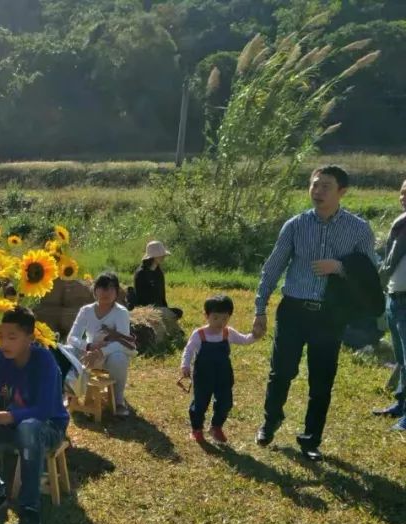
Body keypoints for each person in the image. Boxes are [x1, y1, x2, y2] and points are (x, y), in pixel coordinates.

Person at [252, 166, 377, 460]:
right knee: (281, 371)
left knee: (322, 379)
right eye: (315, 185)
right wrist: (260, 309)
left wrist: (340, 267)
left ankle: (310, 439)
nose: (318, 192)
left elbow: (371, 274)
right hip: (293, 309)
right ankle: (270, 422)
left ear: (341, 192)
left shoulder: (359, 229)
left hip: (330, 314)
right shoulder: (295, 225)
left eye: (326, 187)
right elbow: (273, 267)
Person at [0, 306, 68, 524]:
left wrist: (4, 417)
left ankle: (29, 506)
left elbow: (44, 410)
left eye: (12, 337)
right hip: (11, 426)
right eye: (0, 336)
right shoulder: (0, 359)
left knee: (29, 429)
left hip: (47, 428)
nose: (4, 343)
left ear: (29, 337)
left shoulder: (45, 361)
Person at [180, 295, 257, 444]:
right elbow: (188, 350)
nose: (220, 323)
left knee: (225, 402)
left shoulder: (228, 333)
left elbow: (244, 339)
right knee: (200, 403)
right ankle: (196, 429)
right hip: (203, 376)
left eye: (224, 319)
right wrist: (185, 365)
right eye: (215, 318)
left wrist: (255, 335)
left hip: (223, 375)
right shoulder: (199, 334)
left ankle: (216, 427)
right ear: (206, 316)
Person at [66, 272, 134, 416]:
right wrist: (88, 347)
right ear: (95, 290)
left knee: (119, 358)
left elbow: (123, 343)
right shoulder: (86, 310)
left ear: (116, 292)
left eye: (111, 288)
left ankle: (119, 400)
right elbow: (72, 337)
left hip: (109, 355)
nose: (106, 293)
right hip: (89, 352)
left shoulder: (121, 313)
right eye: (102, 288)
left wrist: (101, 352)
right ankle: (71, 393)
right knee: (68, 351)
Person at [377, 178, 406, 430]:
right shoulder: (400, 223)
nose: (404, 197)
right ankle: (401, 403)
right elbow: (389, 261)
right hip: (395, 297)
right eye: (403, 192)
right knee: (401, 357)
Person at [130, 241, 183, 319]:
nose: (163, 257)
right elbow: (141, 297)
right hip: (147, 309)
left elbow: (162, 295)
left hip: (159, 307)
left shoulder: (158, 272)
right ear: (153, 257)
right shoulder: (141, 273)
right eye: (160, 255)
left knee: (178, 312)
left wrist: (164, 308)